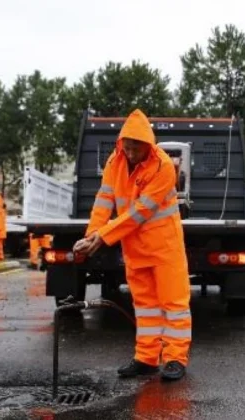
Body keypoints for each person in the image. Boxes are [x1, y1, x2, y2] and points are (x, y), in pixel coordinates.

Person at [73, 109, 191, 381]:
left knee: (174, 304)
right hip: (135, 248)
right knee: (146, 306)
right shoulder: (115, 161)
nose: (130, 154)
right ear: (121, 144)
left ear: (148, 146)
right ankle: (147, 358)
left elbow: (139, 212)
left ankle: (175, 358)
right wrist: (92, 234)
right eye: (126, 148)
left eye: (135, 149)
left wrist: (102, 238)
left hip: (164, 248)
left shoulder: (162, 168)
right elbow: (104, 200)